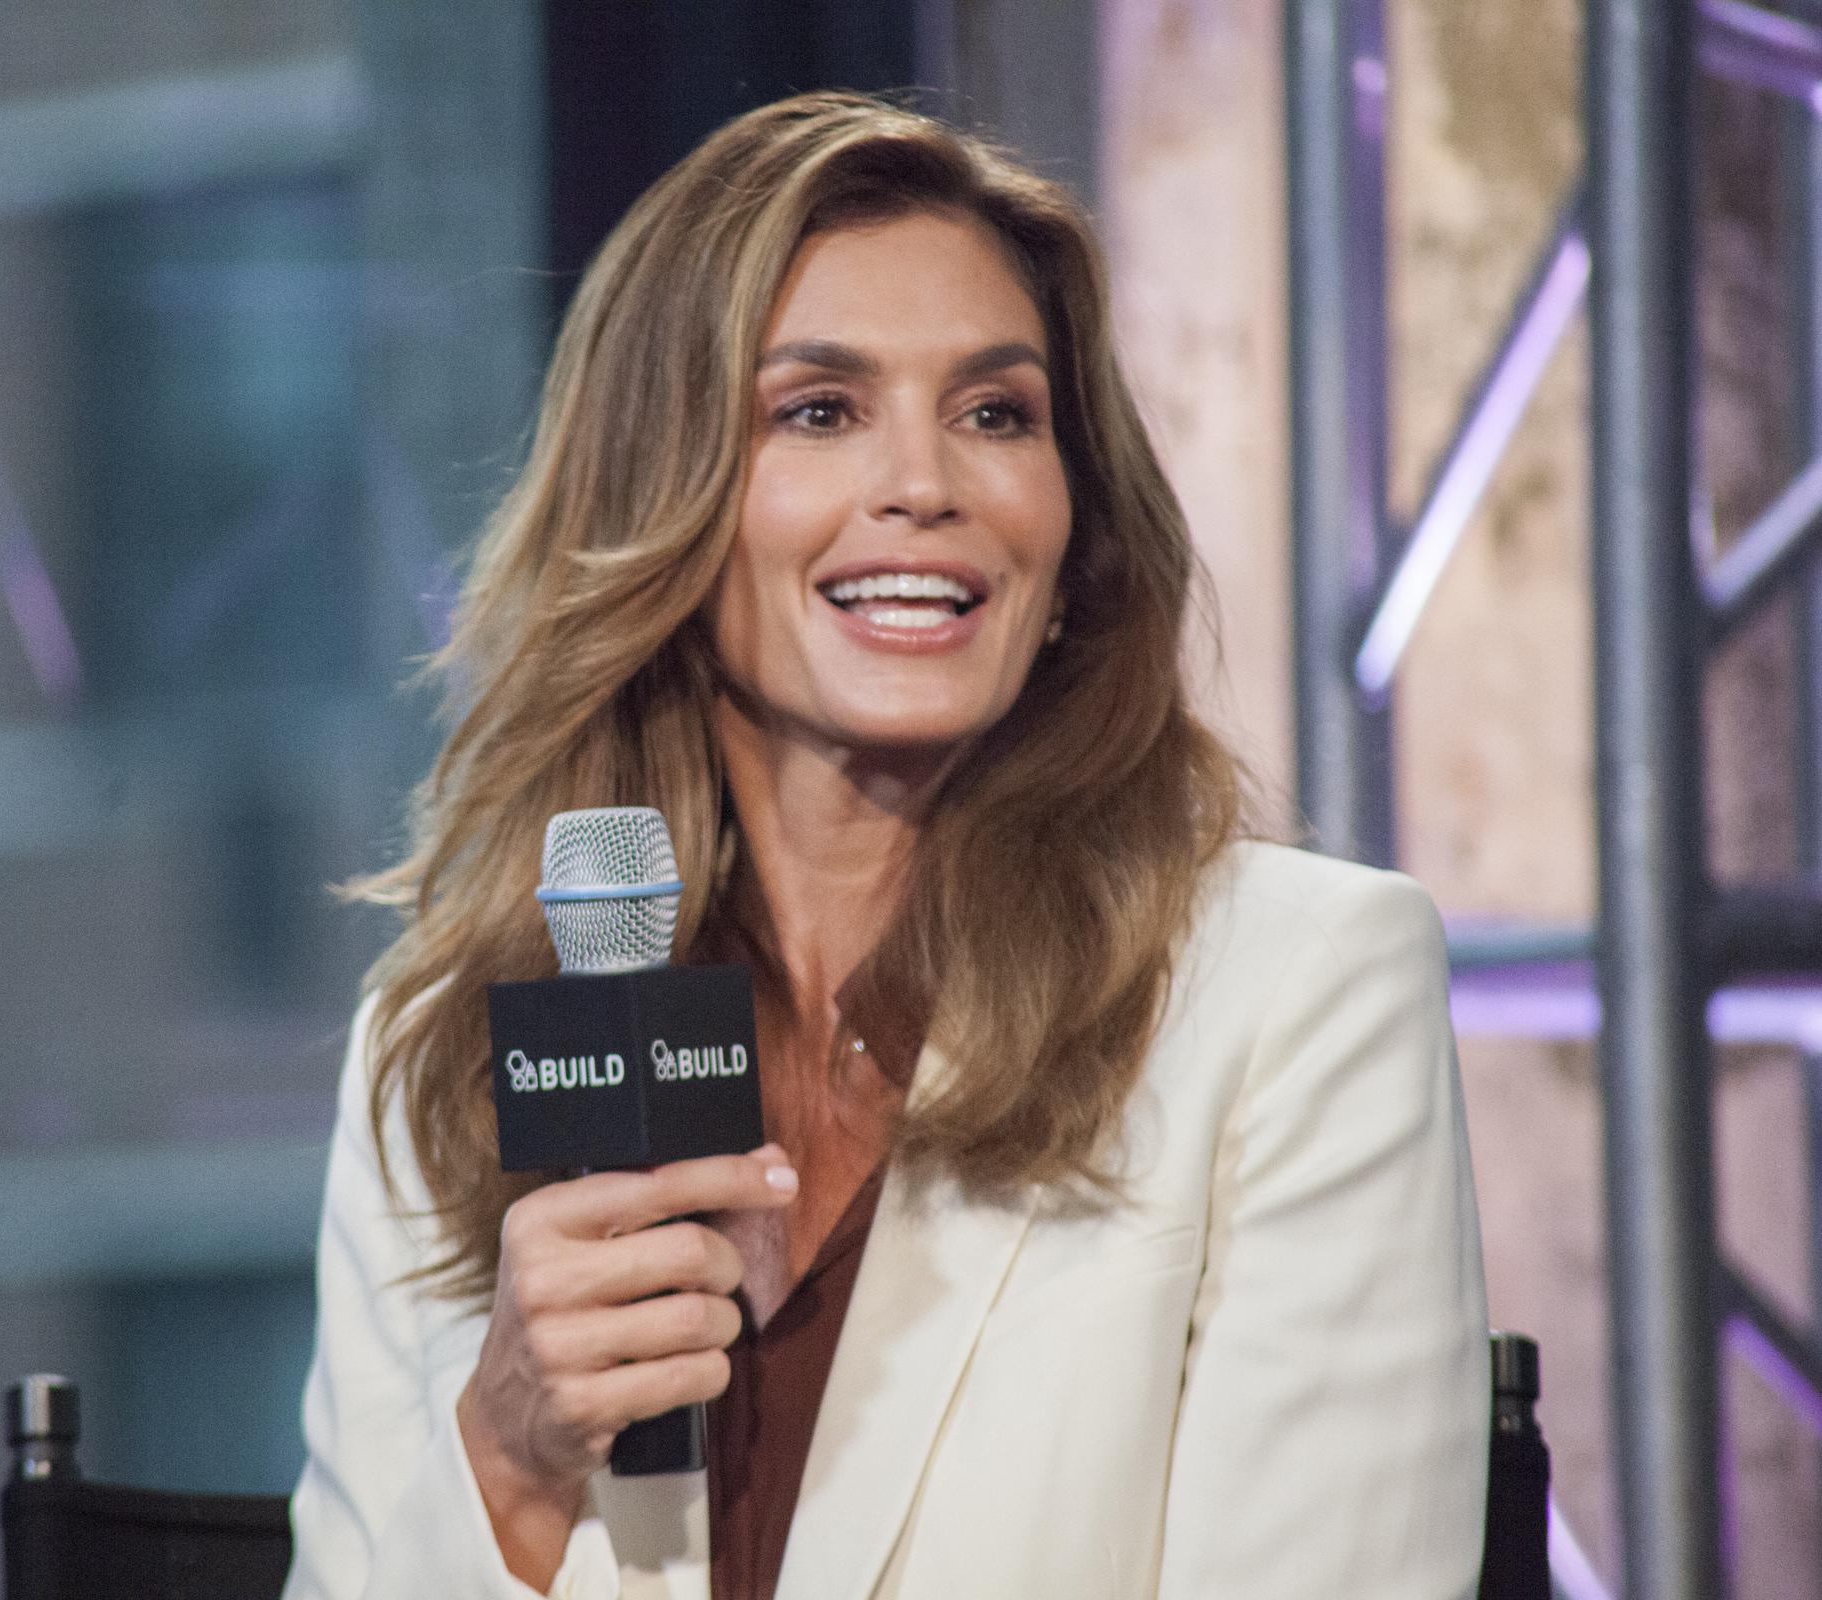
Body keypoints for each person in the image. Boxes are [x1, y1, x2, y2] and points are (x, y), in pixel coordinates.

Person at [282, 91, 1487, 1600]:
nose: (926, 485)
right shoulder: (444, 1055)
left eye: (996, 414)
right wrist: (513, 1467)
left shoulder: (1297, 994)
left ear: (1071, 542)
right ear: (664, 507)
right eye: (820, 411)